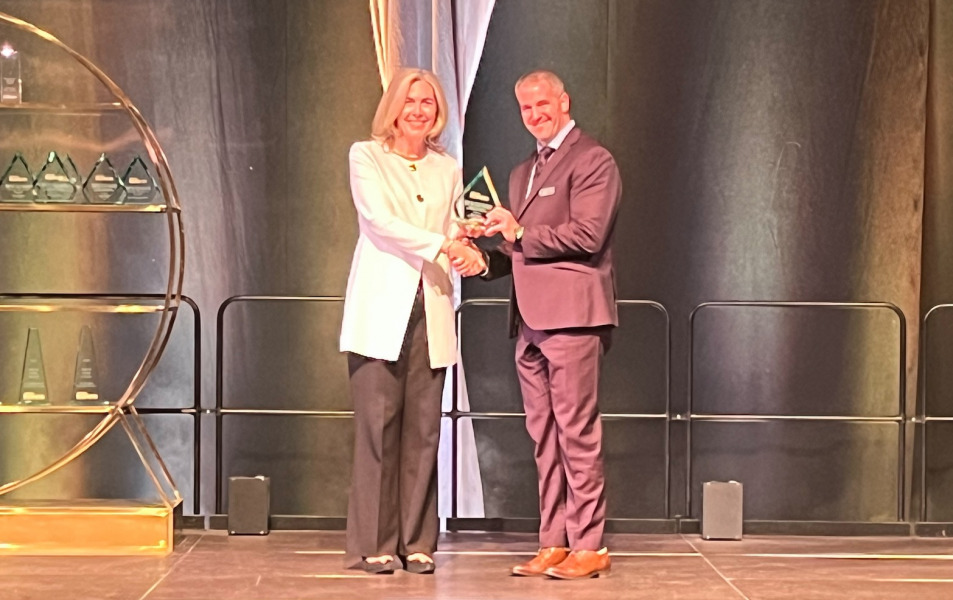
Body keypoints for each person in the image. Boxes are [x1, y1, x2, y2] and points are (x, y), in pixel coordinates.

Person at [340, 68, 485, 575]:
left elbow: (449, 226)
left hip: (433, 305)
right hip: (382, 311)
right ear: (394, 109)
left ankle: (418, 540)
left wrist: (466, 241)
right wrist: (443, 243)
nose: (419, 110)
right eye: (411, 101)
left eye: (428, 101)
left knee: (424, 431)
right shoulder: (367, 156)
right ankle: (374, 543)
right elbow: (378, 221)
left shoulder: (447, 167)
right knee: (379, 428)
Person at [480, 69, 621, 579]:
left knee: (576, 432)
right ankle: (553, 541)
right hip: (530, 321)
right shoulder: (522, 172)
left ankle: (590, 545)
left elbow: (588, 234)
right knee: (544, 436)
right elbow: (517, 248)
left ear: (564, 100)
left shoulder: (593, 159)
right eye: (525, 108)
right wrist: (482, 259)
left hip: (573, 316)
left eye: (543, 104)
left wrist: (518, 230)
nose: (535, 115)